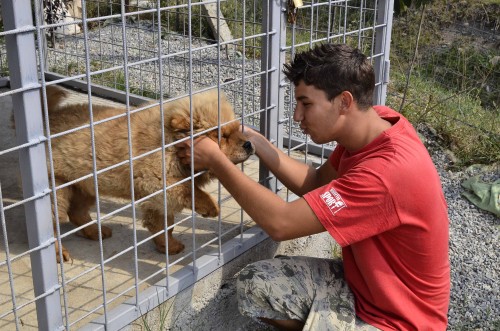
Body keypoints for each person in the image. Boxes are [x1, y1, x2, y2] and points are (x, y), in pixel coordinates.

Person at [176, 43, 450, 330]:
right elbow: (316, 183)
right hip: (367, 290)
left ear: (344, 101)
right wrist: (256, 143)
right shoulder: (376, 125)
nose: (297, 116)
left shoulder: (384, 174)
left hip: (402, 320)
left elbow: (281, 224)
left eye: (306, 104)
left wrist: (217, 161)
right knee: (256, 284)